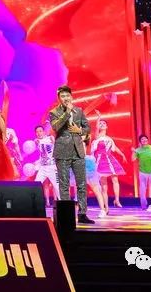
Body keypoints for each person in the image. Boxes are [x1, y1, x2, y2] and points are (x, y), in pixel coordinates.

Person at [48, 86, 94, 224]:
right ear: (59, 99)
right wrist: (67, 112)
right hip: (62, 151)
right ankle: (66, 215)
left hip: (78, 151)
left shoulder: (79, 111)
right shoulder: (54, 112)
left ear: (71, 97)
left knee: (82, 184)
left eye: (67, 95)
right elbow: (56, 127)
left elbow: (87, 127)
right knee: (64, 184)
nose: (66, 98)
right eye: (63, 96)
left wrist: (79, 130)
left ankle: (82, 213)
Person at [90, 116, 126, 208]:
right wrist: (98, 118)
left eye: (104, 123)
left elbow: (115, 147)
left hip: (110, 159)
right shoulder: (97, 137)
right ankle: (106, 206)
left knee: (115, 179)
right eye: (100, 123)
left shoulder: (109, 139)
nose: (102, 124)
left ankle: (117, 200)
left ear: (107, 126)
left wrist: (122, 154)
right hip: (100, 161)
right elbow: (96, 129)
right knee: (104, 185)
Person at [33, 124, 60, 205]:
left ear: (44, 132)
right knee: (36, 184)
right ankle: (33, 204)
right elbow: (42, 155)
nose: (39, 133)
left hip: (52, 167)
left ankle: (64, 205)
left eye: (40, 131)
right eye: (37, 132)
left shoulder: (50, 138)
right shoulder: (36, 141)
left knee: (57, 187)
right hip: (43, 168)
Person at [131, 134, 151, 210]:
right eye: (142, 139)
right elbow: (133, 159)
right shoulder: (138, 150)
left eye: (145, 139)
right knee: (142, 190)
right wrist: (133, 152)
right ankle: (143, 205)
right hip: (143, 172)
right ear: (140, 141)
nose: (144, 140)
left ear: (147, 140)